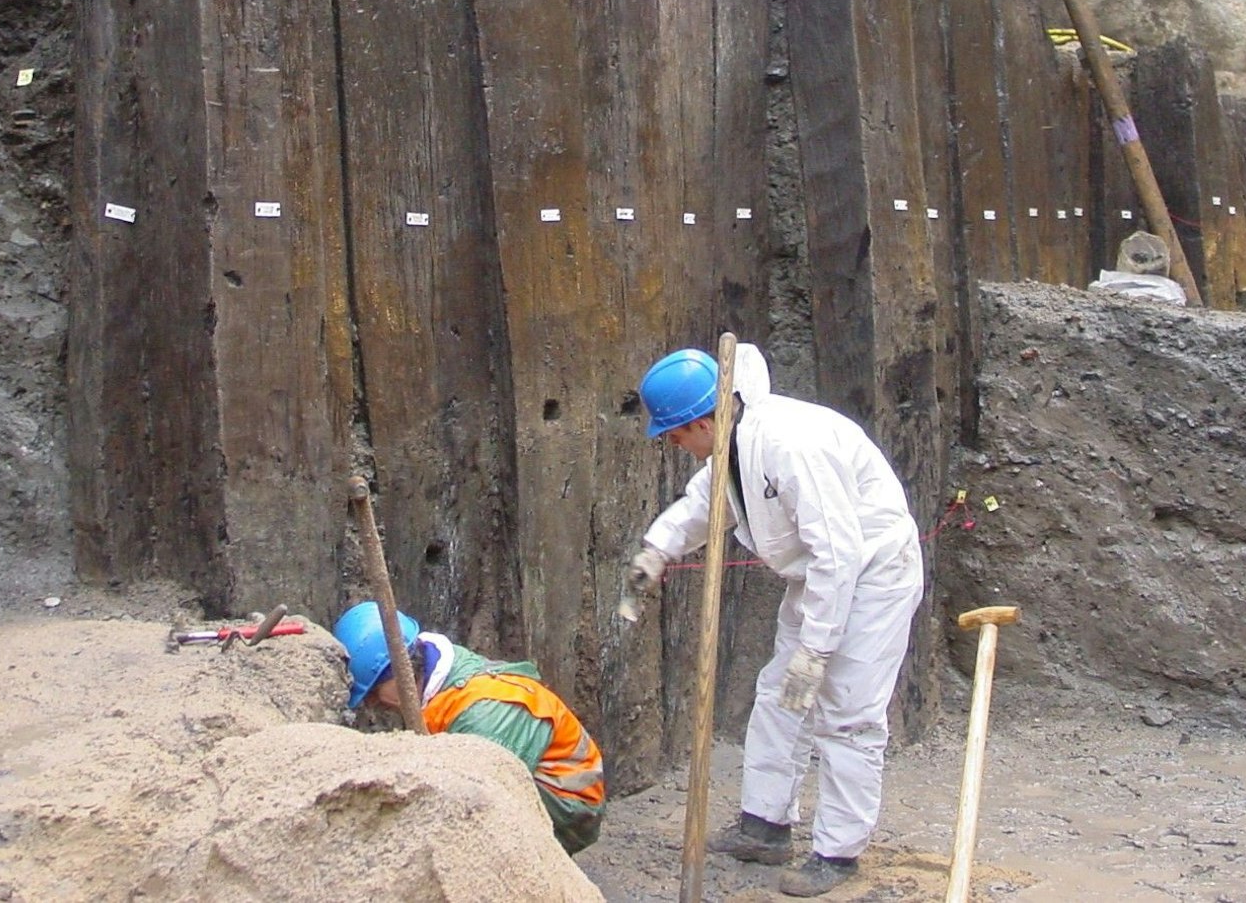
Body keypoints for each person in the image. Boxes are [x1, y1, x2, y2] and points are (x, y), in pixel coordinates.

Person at [624, 342, 923, 898]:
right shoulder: (734, 444)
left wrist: (818, 647)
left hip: (871, 575)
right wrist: (657, 549)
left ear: (704, 420)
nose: (672, 443)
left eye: (675, 433)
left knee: (848, 714)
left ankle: (837, 851)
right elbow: (703, 504)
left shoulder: (790, 444)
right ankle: (764, 825)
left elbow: (839, 551)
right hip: (818, 579)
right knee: (781, 698)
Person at [331, 602, 605, 855]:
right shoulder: (432, 670)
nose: (373, 704)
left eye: (374, 693)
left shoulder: (484, 715)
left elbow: (481, 801)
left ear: (401, 671)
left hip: (569, 805)